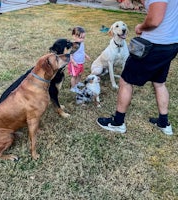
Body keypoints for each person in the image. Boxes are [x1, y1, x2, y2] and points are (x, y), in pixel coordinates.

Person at [96, 0, 178, 135]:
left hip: (154, 45)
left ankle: (118, 122)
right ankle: (164, 123)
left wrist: (141, 27)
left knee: (126, 81)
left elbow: (154, 20)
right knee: (159, 83)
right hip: (171, 44)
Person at [68, 26, 90, 93]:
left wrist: (86, 55)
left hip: (80, 62)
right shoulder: (74, 45)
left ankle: (77, 83)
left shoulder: (81, 43)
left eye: (83, 38)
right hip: (75, 63)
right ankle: (73, 87)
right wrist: (73, 62)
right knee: (74, 76)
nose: (82, 39)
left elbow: (82, 51)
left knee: (79, 74)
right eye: (80, 38)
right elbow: (70, 55)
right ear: (74, 36)